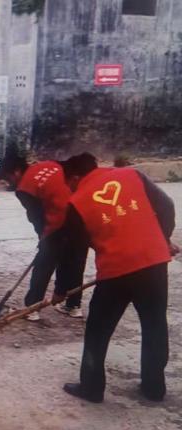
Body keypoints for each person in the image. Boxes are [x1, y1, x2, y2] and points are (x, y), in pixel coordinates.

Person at [53, 152, 178, 403]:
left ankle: (91, 387)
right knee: (154, 325)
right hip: (153, 263)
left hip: (115, 271)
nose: (69, 188)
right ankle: (154, 388)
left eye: (68, 183)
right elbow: (167, 206)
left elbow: (74, 255)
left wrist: (63, 290)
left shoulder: (77, 202)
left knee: (98, 330)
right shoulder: (132, 175)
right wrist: (162, 238)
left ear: (75, 178)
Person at [0, 144, 87, 321]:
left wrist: (44, 238)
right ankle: (73, 306)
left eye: (8, 179)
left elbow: (37, 217)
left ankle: (32, 308)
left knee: (43, 265)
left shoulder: (24, 188)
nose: (9, 183)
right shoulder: (49, 164)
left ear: (16, 172)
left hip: (60, 223)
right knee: (74, 263)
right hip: (82, 216)